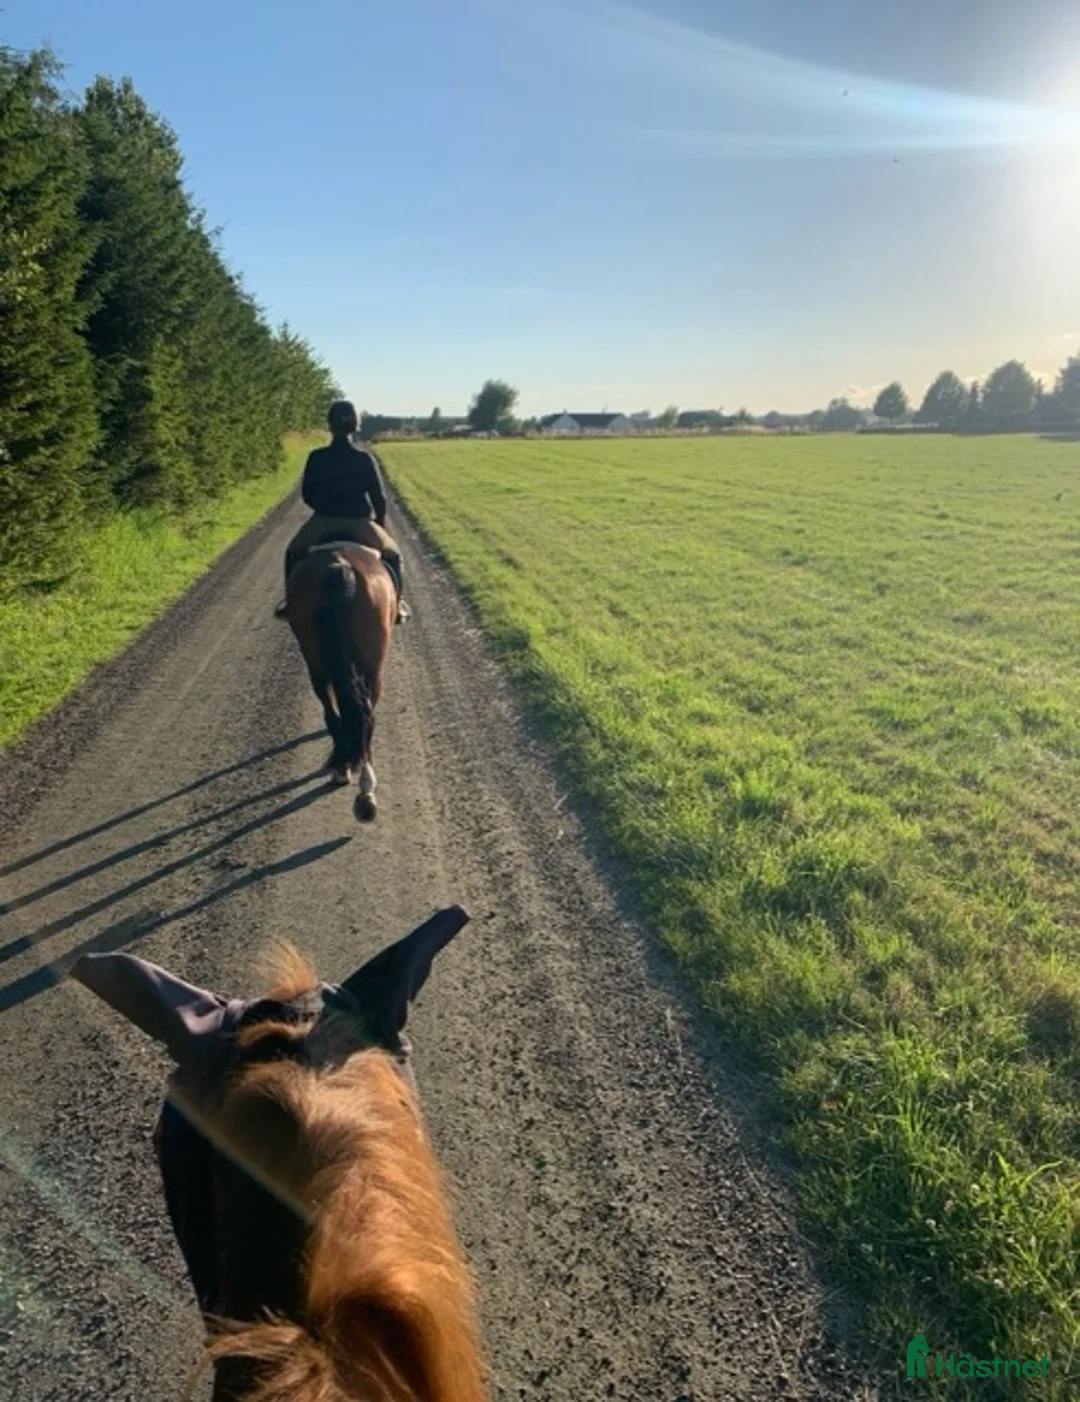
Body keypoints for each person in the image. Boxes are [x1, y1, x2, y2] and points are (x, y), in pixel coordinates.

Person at [275, 401, 409, 623]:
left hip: (323, 521)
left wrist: (325, 509)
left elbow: (307, 494)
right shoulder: (363, 458)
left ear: (330, 426)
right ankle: (399, 603)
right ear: (355, 426)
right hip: (359, 522)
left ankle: (289, 603)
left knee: (292, 552)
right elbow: (379, 498)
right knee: (394, 555)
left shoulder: (316, 457)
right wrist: (380, 524)